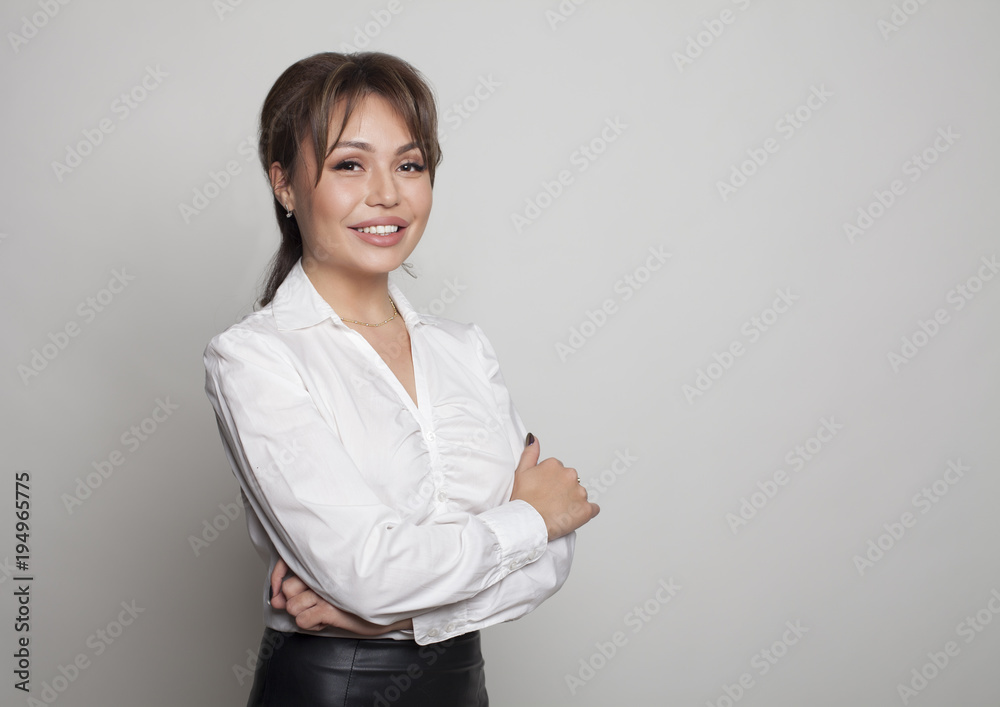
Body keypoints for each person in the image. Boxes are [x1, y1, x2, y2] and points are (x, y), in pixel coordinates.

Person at [203, 51, 599, 706]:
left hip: (464, 687)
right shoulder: (255, 358)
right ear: (284, 185)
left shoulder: (465, 350)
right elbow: (372, 571)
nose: (386, 193)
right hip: (331, 688)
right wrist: (530, 516)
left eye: (409, 165)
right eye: (349, 164)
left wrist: (386, 616)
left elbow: (552, 559)